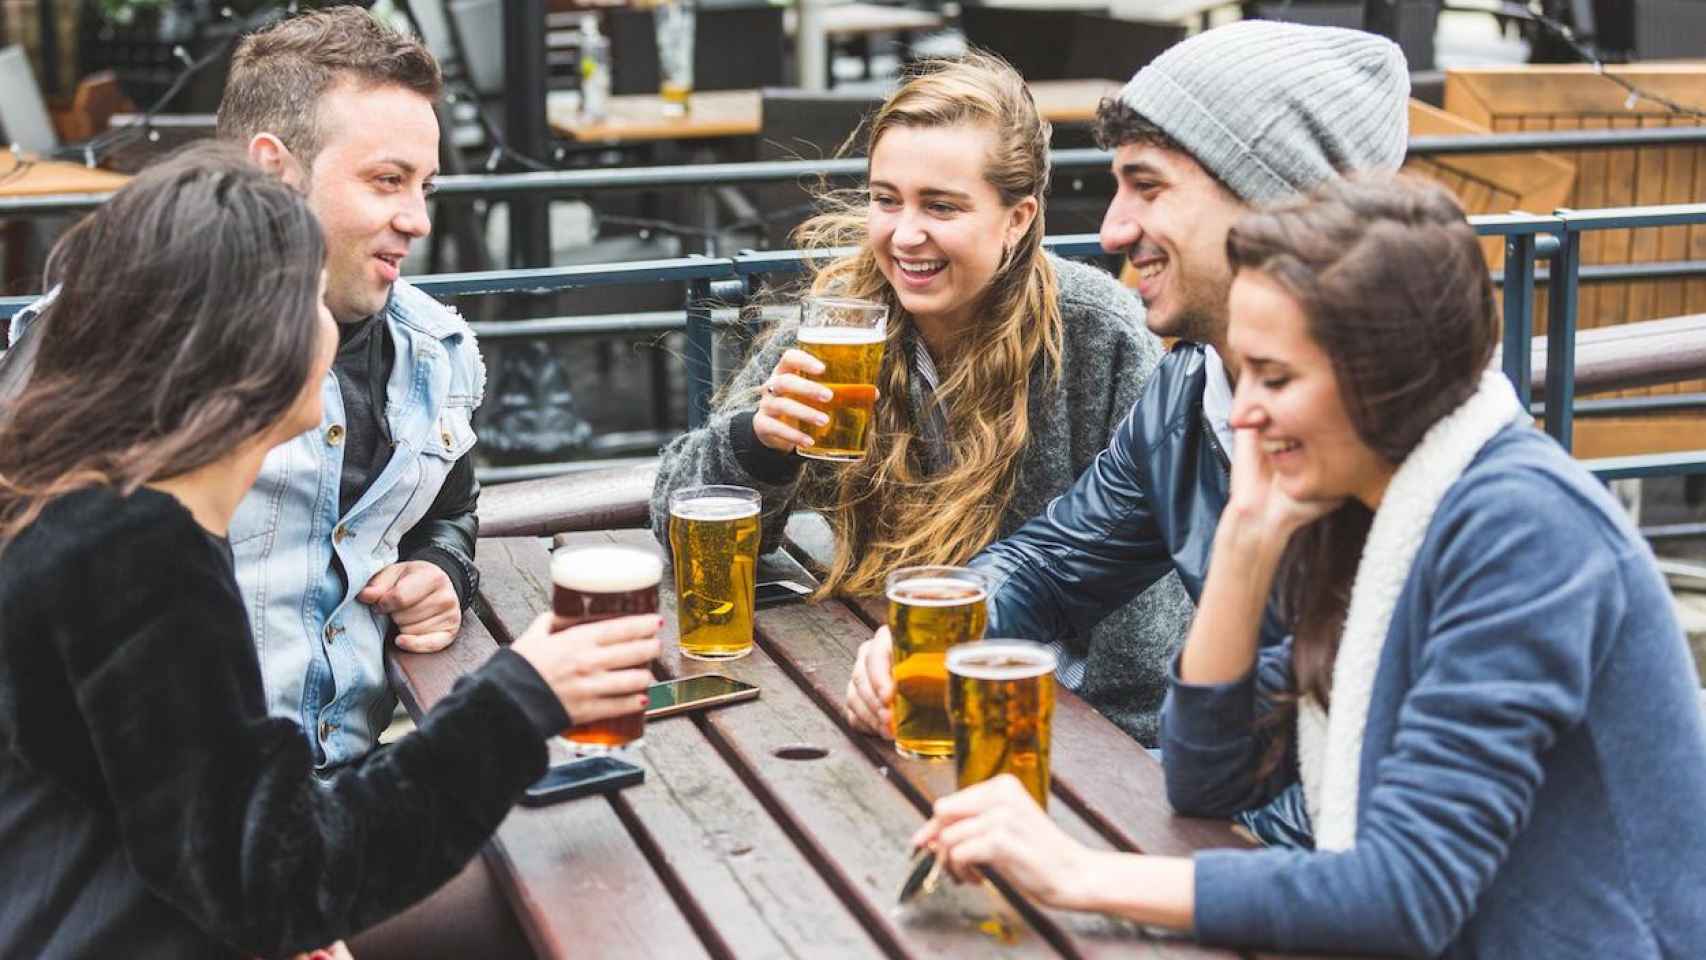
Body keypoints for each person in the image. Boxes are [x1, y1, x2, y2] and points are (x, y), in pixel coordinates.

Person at [909, 176, 1706, 958]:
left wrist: (1077, 875)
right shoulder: (1375, 508)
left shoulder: (1523, 531)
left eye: (1276, 377)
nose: (1244, 412)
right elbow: (1208, 783)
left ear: (1382, 379)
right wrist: (1245, 543)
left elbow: (1406, 894)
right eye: (1240, 373)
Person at [0, 146, 661, 958]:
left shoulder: (90, 510)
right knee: (577, 904)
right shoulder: (136, 549)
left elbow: (202, 830)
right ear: (247, 340)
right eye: (308, 296)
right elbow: (277, 881)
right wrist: (521, 696)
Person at [843, 19, 1409, 772]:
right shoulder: (1189, 394)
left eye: (1147, 186)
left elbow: (1401, 834)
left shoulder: (1432, 476)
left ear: (1277, 204)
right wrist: (929, 634)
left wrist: (1107, 869)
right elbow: (1052, 564)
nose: (1110, 230)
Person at [651, 52, 1194, 745]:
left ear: (1019, 218)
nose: (905, 235)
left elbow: (1142, 626)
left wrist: (1106, 764)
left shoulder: (1098, 334)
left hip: (1041, 717)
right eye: (886, 199)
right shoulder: (843, 322)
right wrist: (757, 446)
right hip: (866, 677)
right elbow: (677, 525)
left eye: (941, 206)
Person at [6, 7, 483, 769]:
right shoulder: (108, 339)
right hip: (176, 832)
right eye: (387, 180)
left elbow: (450, 506)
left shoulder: (432, 346)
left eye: (424, 184)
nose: (418, 219)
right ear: (272, 168)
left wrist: (441, 570)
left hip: (349, 796)